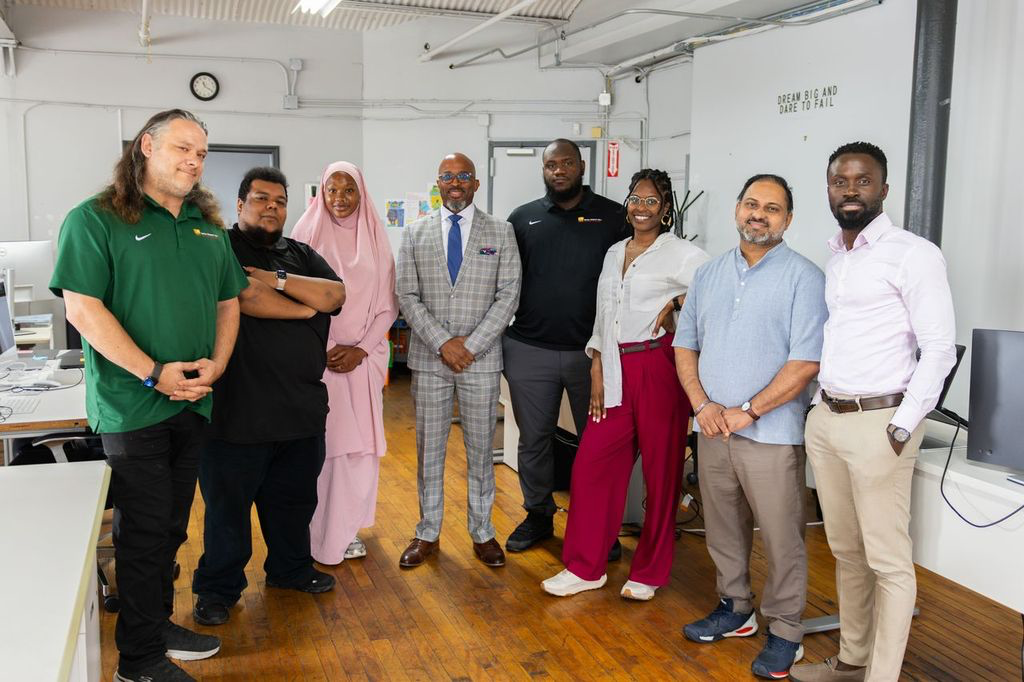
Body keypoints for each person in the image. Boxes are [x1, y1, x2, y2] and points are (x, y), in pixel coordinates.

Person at [49, 109, 247, 682]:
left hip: (194, 401)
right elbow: (83, 309)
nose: (194, 161)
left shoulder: (206, 225)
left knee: (171, 528)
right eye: (182, 148)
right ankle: (136, 662)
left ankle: (154, 625)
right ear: (146, 147)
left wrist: (218, 365)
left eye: (202, 153)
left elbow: (228, 302)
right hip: (133, 405)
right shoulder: (95, 219)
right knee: (143, 530)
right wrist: (153, 372)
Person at [791, 142, 956, 682]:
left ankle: (881, 677)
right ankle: (851, 663)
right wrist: (819, 408)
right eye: (840, 181)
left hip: (880, 423)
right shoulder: (837, 253)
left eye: (863, 181)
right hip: (829, 418)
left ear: (883, 189)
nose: (851, 190)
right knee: (846, 551)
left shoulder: (914, 253)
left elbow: (938, 349)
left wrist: (903, 425)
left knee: (887, 560)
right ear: (829, 189)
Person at [674, 174, 827, 679]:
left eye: (773, 208)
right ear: (737, 210)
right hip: (714, 428)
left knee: (783, 537)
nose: (759, 214)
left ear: (788, 219)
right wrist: (701, 404)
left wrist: (750, 410)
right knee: (722, 528)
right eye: (751, 204)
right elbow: (685, 344)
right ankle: (735, 608)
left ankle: (785, 630)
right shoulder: (710, 273)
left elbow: (806, 361)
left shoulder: (805, 277)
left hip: (772, 433)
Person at [542, 169, 709, 600]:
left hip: (660, 367)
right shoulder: (615, 251)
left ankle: (649, 572)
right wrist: (596, 365)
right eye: (635, 198)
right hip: (612, 368)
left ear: (666, 209)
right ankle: (585, 566)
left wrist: (676, 301)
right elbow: (603, 316)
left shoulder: (685, 255)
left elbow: (716, 297)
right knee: (592, 466)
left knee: (662, 470)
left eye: (651, 201)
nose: (641, 207)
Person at [190, 167, 345, 626]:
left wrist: (276, 279)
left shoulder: (300, 252)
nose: (271, 206)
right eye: (260, 199)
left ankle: (290, 569)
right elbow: (243, 296)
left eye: (279, 199)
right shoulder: (217, 245)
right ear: (239, 205)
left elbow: (334, 295)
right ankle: (218, 589)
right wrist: (302, 304)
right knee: (226, 511)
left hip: (299, 409)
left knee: (294, 504)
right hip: (235, 411)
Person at [395, 152, 521, 569]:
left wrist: (471, 345)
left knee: (481, 449)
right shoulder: (414, 234)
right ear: (438, 182)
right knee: (429, 448)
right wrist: (443, 342)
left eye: (463, 176)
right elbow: (407, 296)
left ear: (476, 183)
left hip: (480, 361)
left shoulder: (500, 232)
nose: (455, 183)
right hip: (431, 359)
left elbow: (508, 295)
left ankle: (482, 531)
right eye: (447, 176)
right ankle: (428, 530)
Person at [502, 139, 625, 554]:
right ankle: (538, 515)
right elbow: (503, 280)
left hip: (591, 355)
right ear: (543, 168)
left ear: (582, 166)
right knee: (533, 440)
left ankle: (598, 526)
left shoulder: (613, 217)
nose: (559, 170)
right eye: (551, 164)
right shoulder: (522, 219)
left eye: (567, 163)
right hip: (529, 350)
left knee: (597, 444)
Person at [294, 161, 398, 565]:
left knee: (358, 452)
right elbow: (298, 296)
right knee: (325, 446)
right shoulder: (305, 233)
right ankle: (314, 528)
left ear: (362, 194)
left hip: (365, 359)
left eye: (348, 190)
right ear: (321, 192)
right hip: (319, 358)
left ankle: (347, 528)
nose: (339, 198)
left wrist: (360, 349)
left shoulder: (375, 236)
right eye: (332, 190)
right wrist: (330, 346)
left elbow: (388, 306)